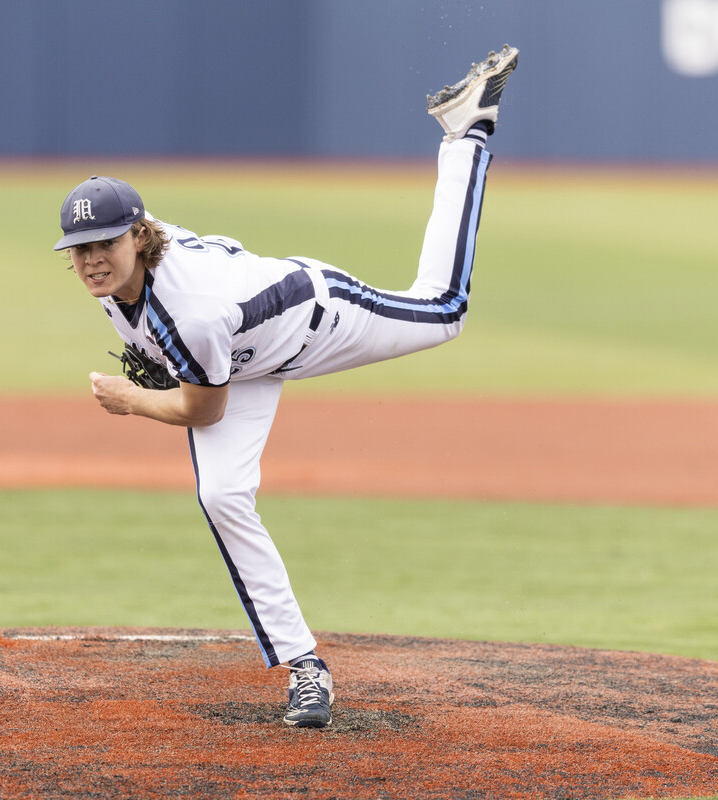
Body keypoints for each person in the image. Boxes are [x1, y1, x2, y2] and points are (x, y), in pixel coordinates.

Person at [53, 45, 518, 728]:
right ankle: (306, 669)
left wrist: (131, 401)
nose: (92, 259)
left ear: (139, 236)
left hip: (315, 318)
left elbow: (202, 410)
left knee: (444, 310)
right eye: (80, 249)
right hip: (241, 353)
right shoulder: (122, 279)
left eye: (106, 244)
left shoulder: (194, 312)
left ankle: (466, 131)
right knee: (222, 494)